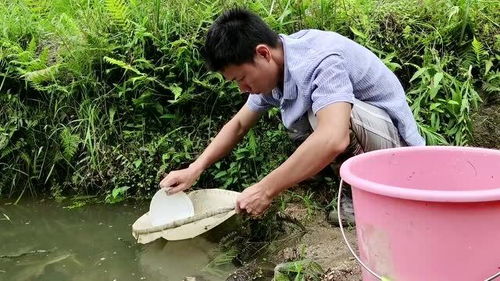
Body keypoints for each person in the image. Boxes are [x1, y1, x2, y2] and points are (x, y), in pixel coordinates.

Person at [159, 8, 425, 217]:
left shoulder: (321, 61)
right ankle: (345, 184)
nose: (242, 89)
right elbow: (239, 124)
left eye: (242, 78)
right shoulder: (279, 64)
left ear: (263, 54)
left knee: (326, 120)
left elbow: (334, 138)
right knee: (304, 121)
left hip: (398, 152)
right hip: (370, 141)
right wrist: (195, 168)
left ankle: (362, 194)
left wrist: (265, 190)